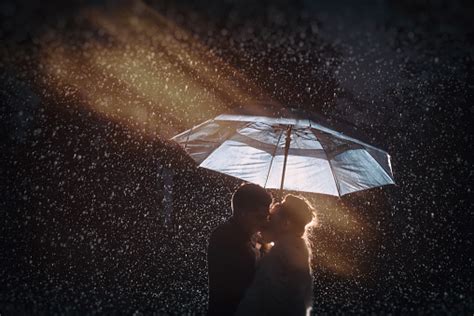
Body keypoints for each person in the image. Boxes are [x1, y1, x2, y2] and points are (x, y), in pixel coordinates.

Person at [235, 194, 316, 316]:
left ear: (286, 224)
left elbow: (261, 302)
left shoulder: (280, 256)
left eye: (271, 218)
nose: (265, 222)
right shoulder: (296, 252)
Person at [207, 183, 273, 316]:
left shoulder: (249, 236)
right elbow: (247, 283)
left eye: (267, 217)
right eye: (260, 217)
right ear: (243, 212)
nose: (265, 223)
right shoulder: (225, 237)